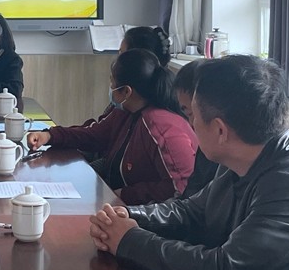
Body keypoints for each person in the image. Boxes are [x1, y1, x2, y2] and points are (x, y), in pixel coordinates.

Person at [89, 55, 289, 270]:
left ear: (220, 130)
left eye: (193, 117)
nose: (191, 125)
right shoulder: (238, 154)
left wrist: (129, 240)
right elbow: (192, 211)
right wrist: (127, 216)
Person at [28, 49, 197, 204]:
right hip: (116, 200)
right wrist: (50, 135)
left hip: (145, 213)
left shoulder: (161, 126)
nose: (110, 88)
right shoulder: (126, 111)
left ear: (127, 91)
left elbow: (180, 187)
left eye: (112, 83)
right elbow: (93, 135)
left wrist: (125, 195)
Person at [82, 26, 172, 127]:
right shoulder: (129, 106)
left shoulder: (143, 115)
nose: (117, 60)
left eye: (121, 54)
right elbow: (99, 130)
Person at [172, 59, 218, 198]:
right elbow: (191, 201)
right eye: (187, 114)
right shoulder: (206, 149)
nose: (191, 123)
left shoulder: (229, 158)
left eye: (191, 114)